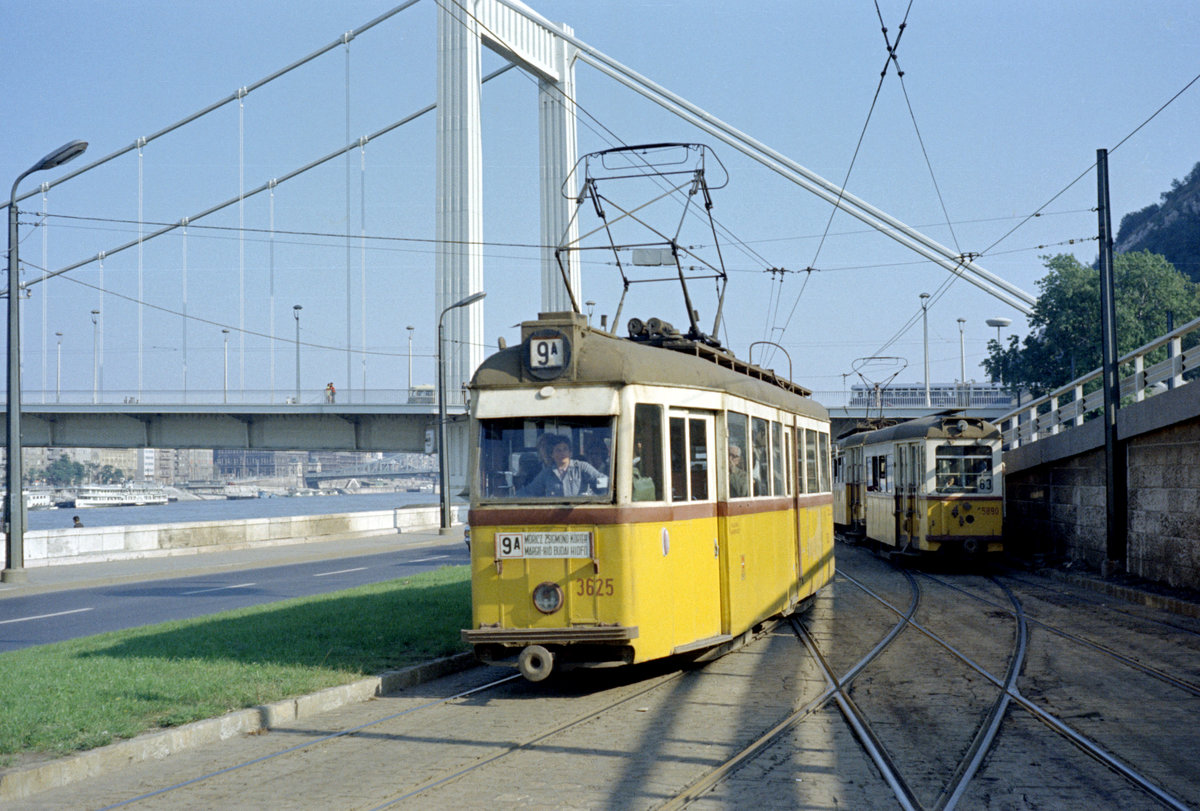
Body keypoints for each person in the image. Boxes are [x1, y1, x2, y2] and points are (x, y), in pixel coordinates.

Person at [521, 434, 603, 497]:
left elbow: (604, 481)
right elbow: (530, 491)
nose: (562, 453)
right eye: (558, 450)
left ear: (570, 453)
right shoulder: (546, 473)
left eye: (565, 449)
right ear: (552, 454)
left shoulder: (582, 467)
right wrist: (510, 498)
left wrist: (596, 494)